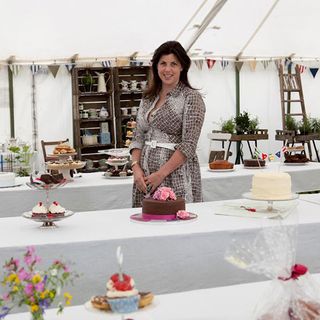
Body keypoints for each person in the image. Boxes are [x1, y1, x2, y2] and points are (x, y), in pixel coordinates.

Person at [129, 40, 206, 207]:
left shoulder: (190, 98)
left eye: (173, 64)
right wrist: (135, 168)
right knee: (146, 223)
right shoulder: (149, 98)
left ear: (182, 67)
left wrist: (160, 174)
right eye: (163, 63)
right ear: (156, 66)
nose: (167, 69)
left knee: (175, 223)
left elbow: (189, 145)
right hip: (144, 177)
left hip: (175, 175)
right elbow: (138, 135)